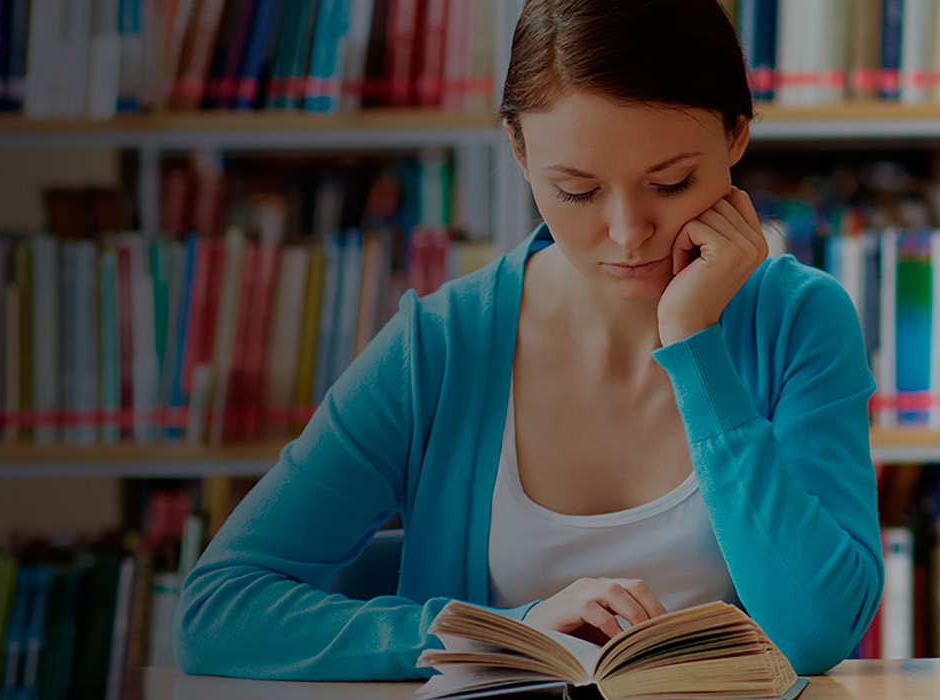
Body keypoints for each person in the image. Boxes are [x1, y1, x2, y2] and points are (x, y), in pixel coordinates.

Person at [175, 0, 882, 680]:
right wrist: (501, 633)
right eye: (578, 191)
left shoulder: (801, 321)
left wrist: (694, 346)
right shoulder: (440, 347)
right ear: (517, 148)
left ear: (735, 135)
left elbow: (816, 631)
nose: (629, 231)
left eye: (671, 182)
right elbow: (216, 610)